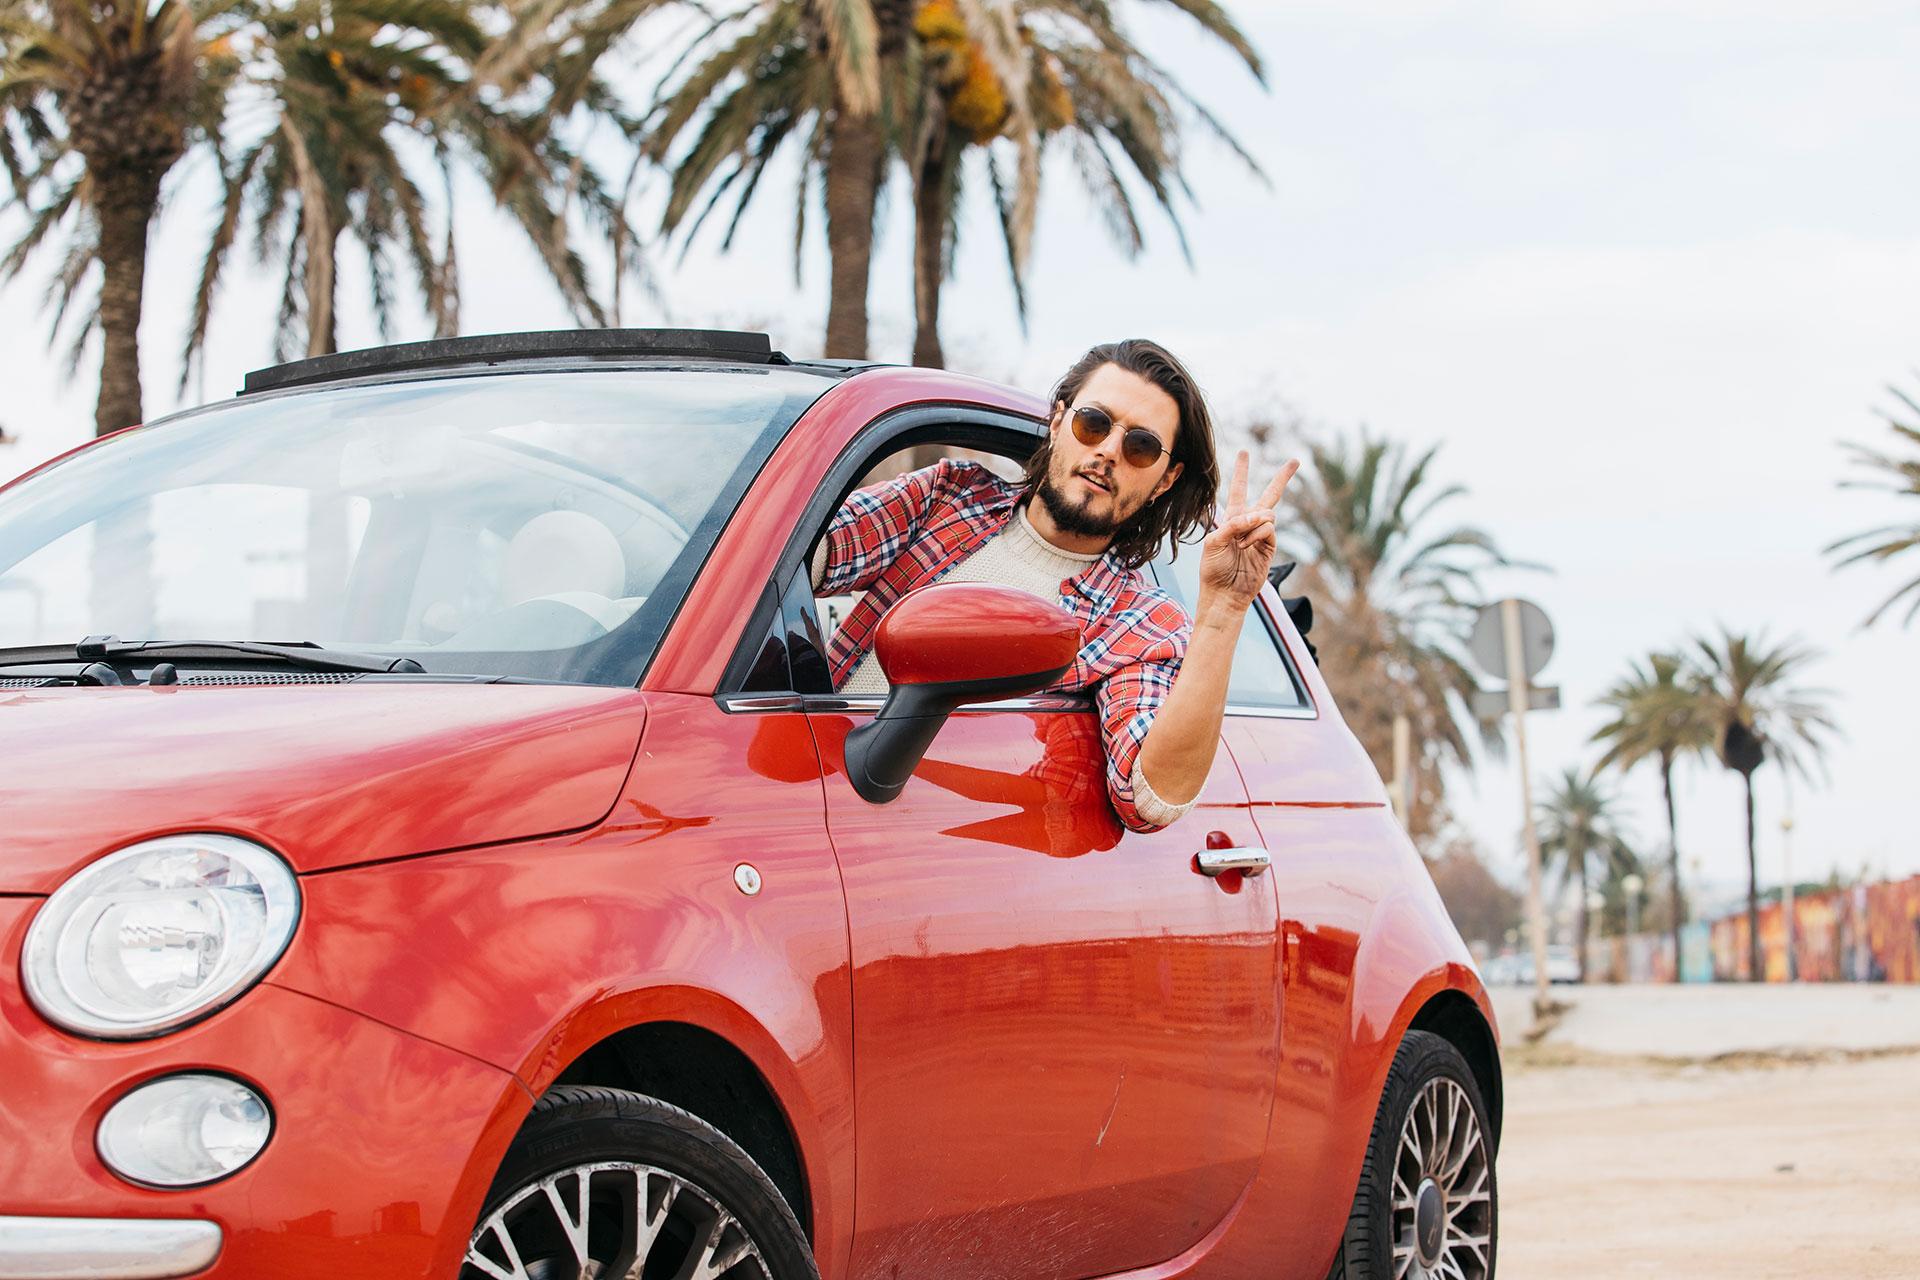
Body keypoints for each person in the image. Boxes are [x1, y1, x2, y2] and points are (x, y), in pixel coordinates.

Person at [810, 338, 1298, 832]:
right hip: (797, 785)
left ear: (1165, 480)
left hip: (923, 841)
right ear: (1058, 419)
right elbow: (804, 553)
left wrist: (1225, 608)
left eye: (1141, 446)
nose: (1108, 451)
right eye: (1093, 423)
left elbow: (1150, 800)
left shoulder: (1138, 626)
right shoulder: (946, 498)